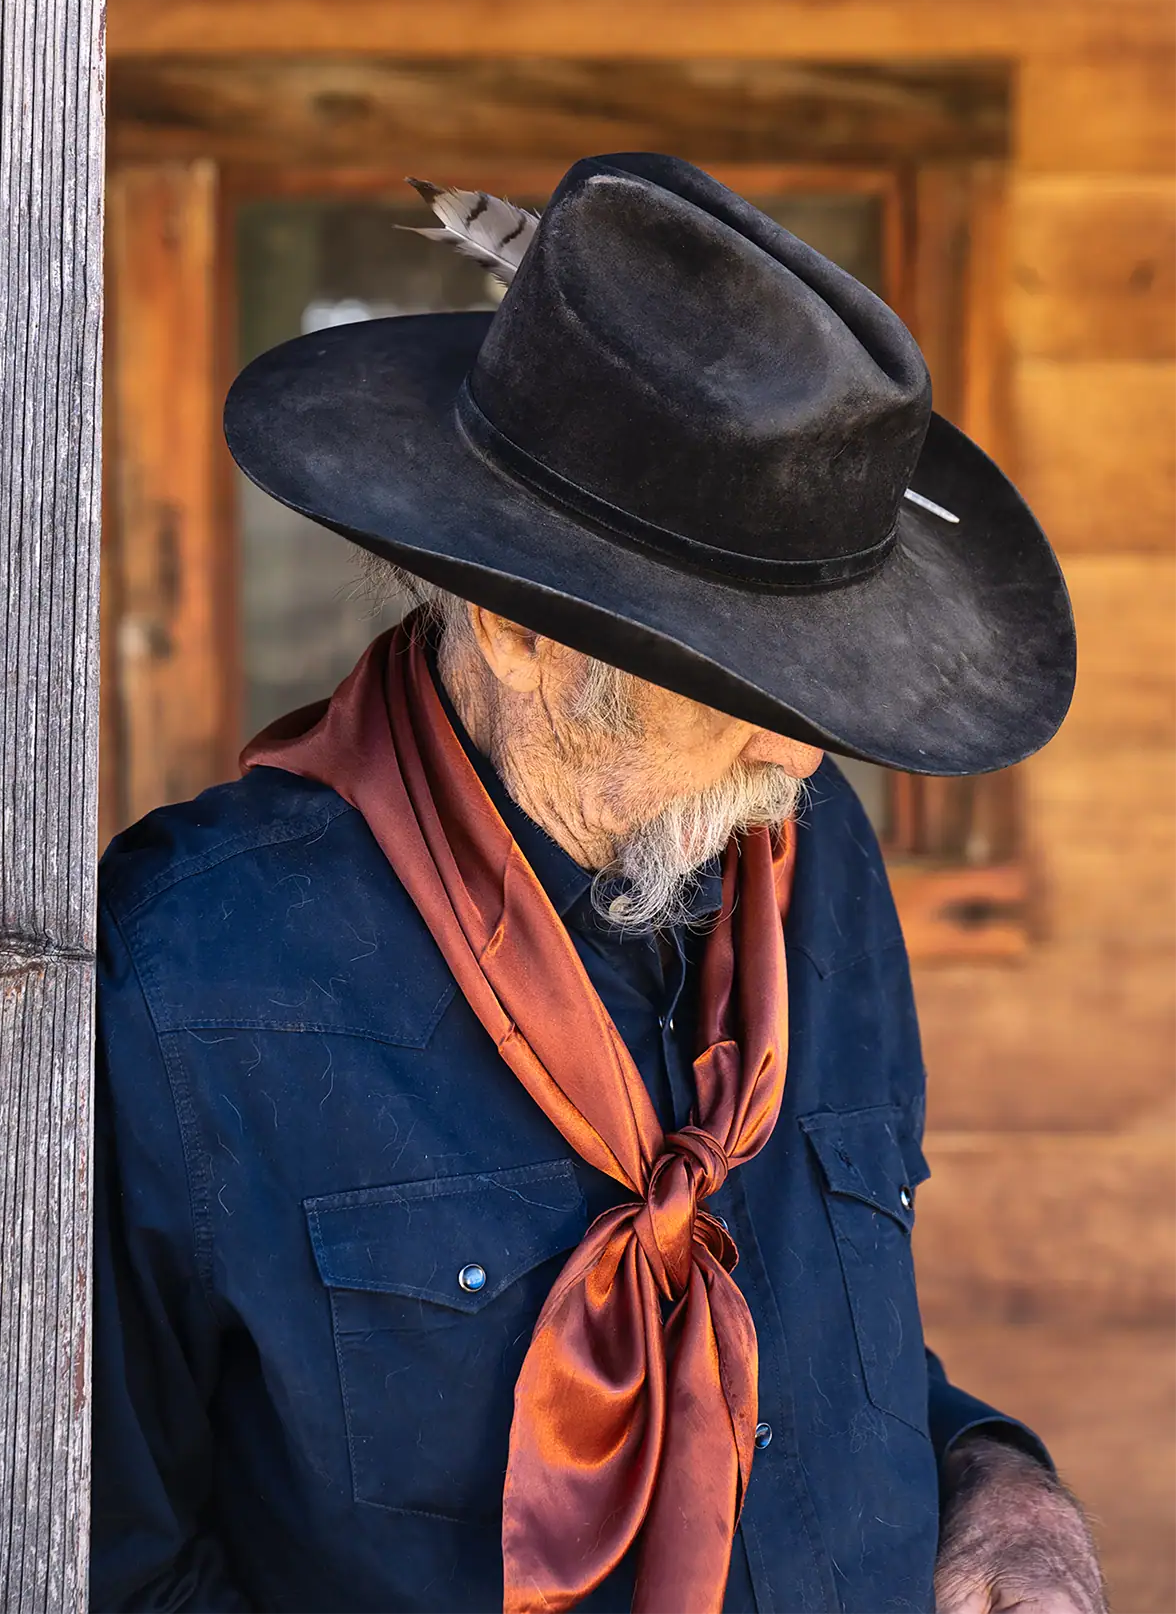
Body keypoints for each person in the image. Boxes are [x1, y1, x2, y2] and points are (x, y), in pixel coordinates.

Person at [92, 154, 1104, 1614]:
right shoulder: (193, 972)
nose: (798, 754)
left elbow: (824, 1344)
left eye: (823, 685)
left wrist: (996, 1479)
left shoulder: (815, 862)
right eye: (743, 680)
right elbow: (110, 1558)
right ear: (519, 632)